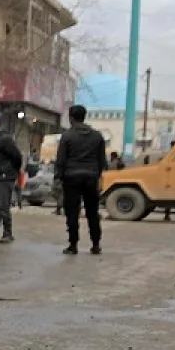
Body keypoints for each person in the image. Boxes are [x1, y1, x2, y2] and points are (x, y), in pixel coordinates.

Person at [55, 104, 108, 255]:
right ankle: (96, 244)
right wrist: (96, 175)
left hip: (71, 177)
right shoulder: (97, 136)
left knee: (72, 211)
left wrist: (58, 177)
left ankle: (73, 245)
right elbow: (102, 161)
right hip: (91, 177)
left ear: (71, 117)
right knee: (92, 211)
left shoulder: (67, 136)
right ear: (84, 117)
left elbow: (61, 160)